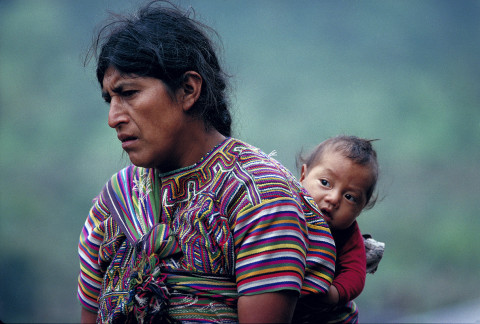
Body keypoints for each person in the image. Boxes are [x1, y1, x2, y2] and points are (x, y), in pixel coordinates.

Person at [77, 2, 336, 323]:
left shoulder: (258, 195)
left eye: (128, 93)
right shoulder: (113, 203)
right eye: (109, 100)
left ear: (188, 89)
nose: (113, 118)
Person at [294, 135, 381, 323]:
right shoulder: (284, 208)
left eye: (350, 197)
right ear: (303, 175)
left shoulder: (347, 236)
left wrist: (334, 294)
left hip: (324, 311)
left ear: (361, 208)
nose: (333, 199)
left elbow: (355, 274)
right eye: (325, 183)